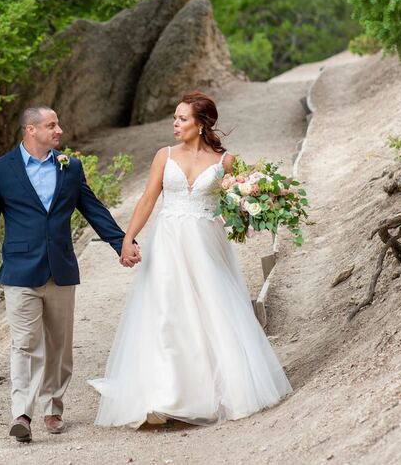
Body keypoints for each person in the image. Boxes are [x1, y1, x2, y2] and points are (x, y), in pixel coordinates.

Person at [89, 91, 292, 427]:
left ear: (200, 124)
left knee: (213, 309)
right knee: (168, 310)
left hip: (206, 242)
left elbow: (236, 200)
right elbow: (147, 199)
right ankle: (162, 395)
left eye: (182, 118)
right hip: (168, 241)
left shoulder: (225, 161)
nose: (175, 124)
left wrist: (253, 209)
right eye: (175, 118)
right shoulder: (163, 156)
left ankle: (221, 390)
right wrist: (127, 239)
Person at [0, 105, 139, 443]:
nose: (59, 130)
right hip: (20, 272)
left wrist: (122, 243)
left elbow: (94, 210)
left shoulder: (70, 167)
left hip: (61, 268)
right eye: (51, 125)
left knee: (59, 346)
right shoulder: (1, 170)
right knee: (25, 344)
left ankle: (53, 408)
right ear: (30, 130)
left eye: (58, 124)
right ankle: (22, 413)